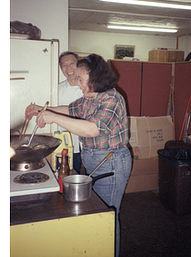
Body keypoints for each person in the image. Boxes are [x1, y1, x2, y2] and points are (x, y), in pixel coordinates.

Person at [25, 53, 132, 257]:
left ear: (95, 77)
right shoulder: (89, 98)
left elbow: (93, 129)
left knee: (108, 214)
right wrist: (41, 109)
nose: (78, 83)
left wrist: (52, 117)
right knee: (98, 211)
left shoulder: (111, 98)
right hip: (94, 158)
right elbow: (70, 109)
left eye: (81, 79)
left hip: (112, 162)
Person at [58, 51, 83, 173]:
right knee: (69, 176)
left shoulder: (90, 87)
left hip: (90, 144)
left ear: (79, 65)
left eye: (72, 63)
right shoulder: (56, 90)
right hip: (68, 143)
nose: (69, 68)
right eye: (64, 65)